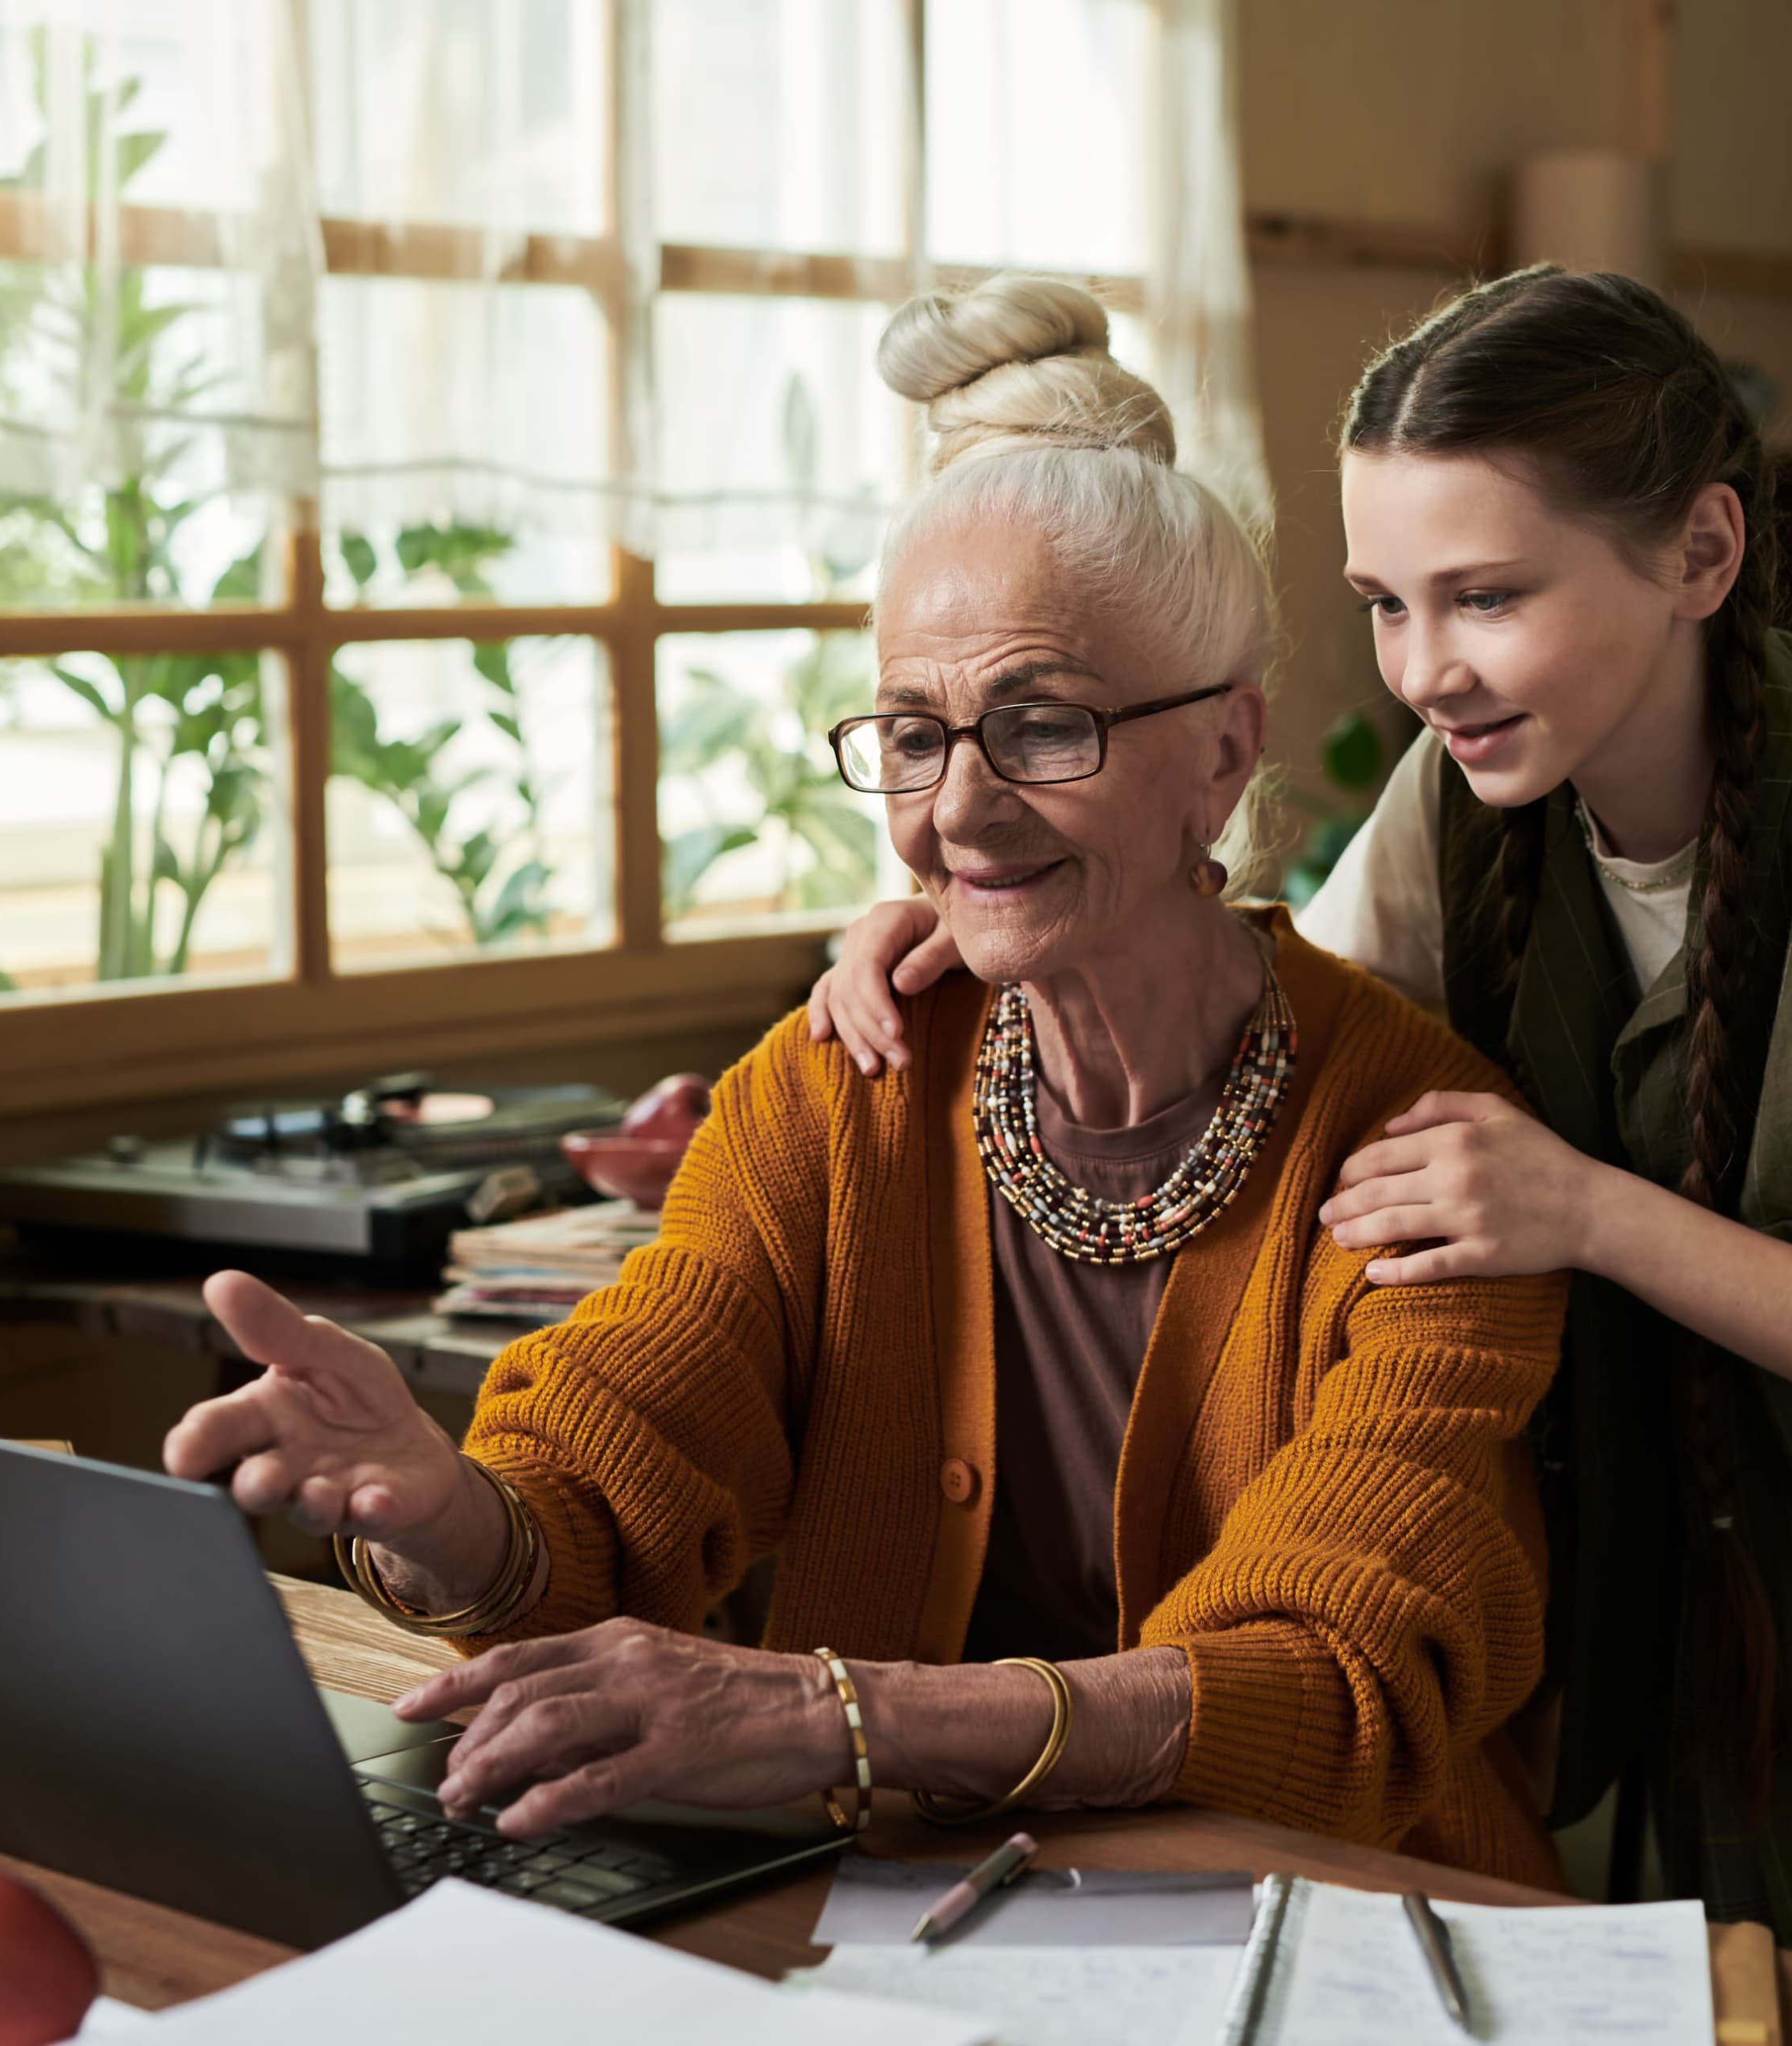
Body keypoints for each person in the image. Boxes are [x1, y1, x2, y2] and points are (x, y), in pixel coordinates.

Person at [806, 266, 1792, 2015]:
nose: (1422, 671)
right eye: (1385, 603)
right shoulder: (1469, 791)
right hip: (1682, 1664)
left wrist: (1585, 1210)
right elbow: (1274, 1015)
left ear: (1703, 553)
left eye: (1486, 596)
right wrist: (979, 918)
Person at [161, 274, 1571, 1885]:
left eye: (1042, 726)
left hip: (1338, 1926)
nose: (958, 810)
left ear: (1228, 751)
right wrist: (449, 1508)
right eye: (913, 732)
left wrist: (839, 1713)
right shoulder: (844, 1085)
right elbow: (625, 1456)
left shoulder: (1427, 1154)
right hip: (885, 1914)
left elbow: (1338, 1678)